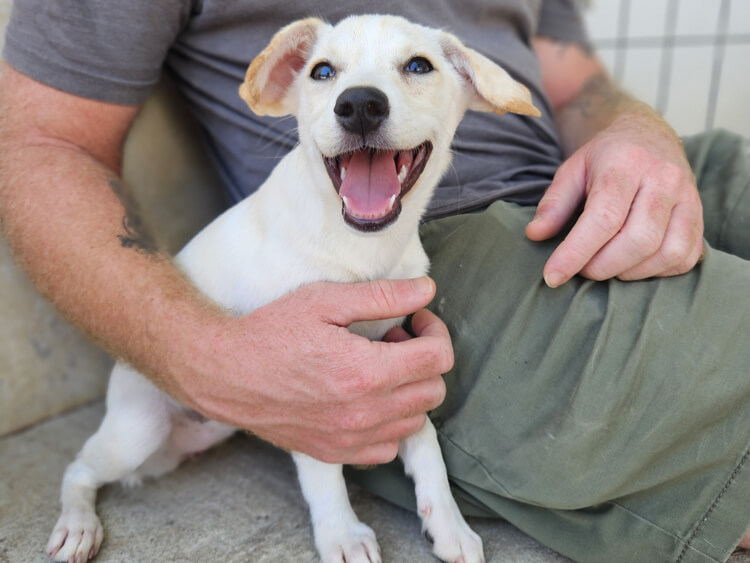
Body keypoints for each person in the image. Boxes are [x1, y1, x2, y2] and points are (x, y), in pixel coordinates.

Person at [0, 0, 748, 561]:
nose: (361, 97)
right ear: (294, 82)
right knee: (127, 441)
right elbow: (36, 139)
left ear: (466, 85)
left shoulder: (472, 80)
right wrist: (210, 357)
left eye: (413, 67)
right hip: (471, 234)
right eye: (327, 75)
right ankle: (77, 485)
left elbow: (572, 75)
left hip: (596, 170)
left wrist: (632, 127)